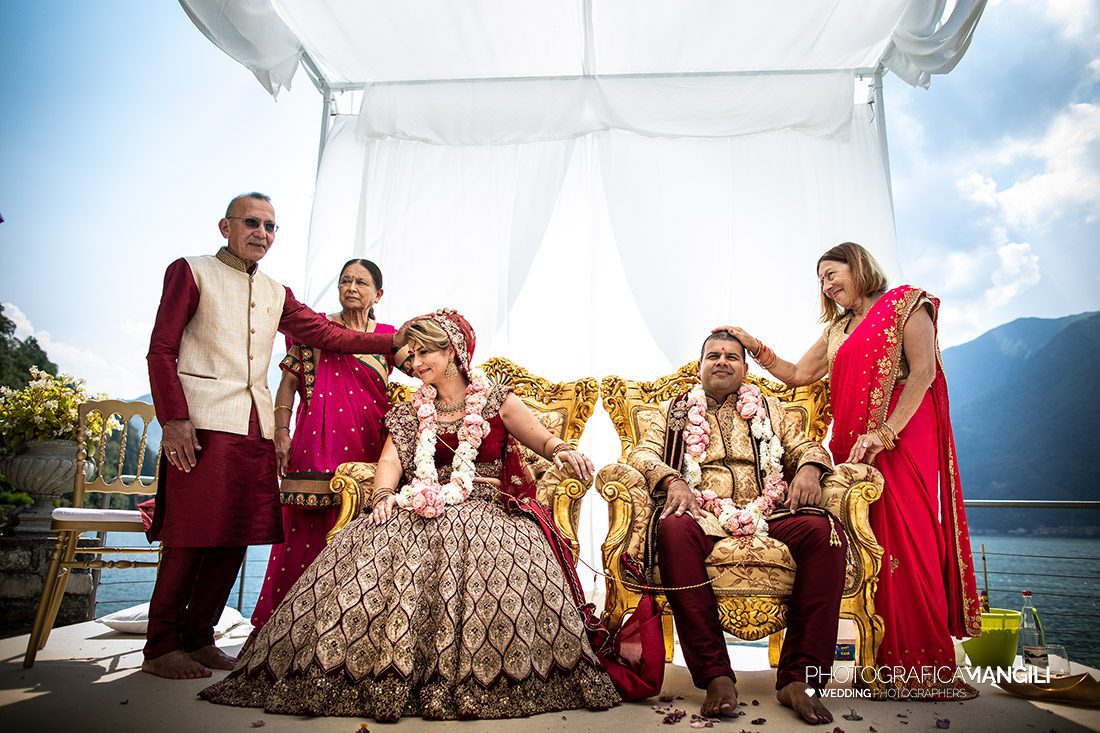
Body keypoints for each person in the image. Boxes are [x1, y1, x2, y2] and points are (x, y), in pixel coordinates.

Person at [200, 309, 623, 721]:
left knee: (482, 545)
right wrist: (384, 494)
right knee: (370, 541)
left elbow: (543, 440)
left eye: (424, 354)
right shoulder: (408, 411)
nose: (414, 364)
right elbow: (391, 460)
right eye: (410, 356)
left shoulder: (495, 399)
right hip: (421, 500)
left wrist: (564, 451)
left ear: (454, 351)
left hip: (487, 506)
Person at [144, 193, 408, 681]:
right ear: (225, 226)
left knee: (236, 535)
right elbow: (161, 350)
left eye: (270, 226)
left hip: (255, 427)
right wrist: (174, 419)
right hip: (201, 423)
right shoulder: (192, 270)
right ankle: (161, 644)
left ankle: (199, 637)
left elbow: (332, 337)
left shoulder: (276, 291)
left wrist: (394, 340)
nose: (261, 233)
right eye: (251, 222)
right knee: (191, 534)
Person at [725, 241, 981, 700]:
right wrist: (752, 345)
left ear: (857, 265)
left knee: (911, 541)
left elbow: (922, 374)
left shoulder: (905, 304)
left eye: (831, 273)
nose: (826, 284)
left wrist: (884, 434)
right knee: (870, 549)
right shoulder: (837, 331)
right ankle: (880, 663)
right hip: (852, 450)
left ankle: (924, 665)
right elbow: (798, 374)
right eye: (821, 280)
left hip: (902, 438)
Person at [628, 329, 846, 725]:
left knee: (823, 534)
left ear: (745, 368)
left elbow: (804, 445)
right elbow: (641, 452)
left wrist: (811, 470)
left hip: (771, 511)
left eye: (732, 356)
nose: (722, 361)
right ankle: (716, 676)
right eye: (714, 355)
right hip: (702, 510)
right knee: (673, 529)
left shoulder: (771, 408)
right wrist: (673, 481)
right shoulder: (671, 411)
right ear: (699, 366)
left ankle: (799, 679)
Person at [248, 259, 396, 639]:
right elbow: (287, 384)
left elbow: (428, 367)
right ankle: (280, 630)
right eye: (346, 280)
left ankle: (346, 629)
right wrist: (281, 431)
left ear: (378, 294)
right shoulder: (316, 330)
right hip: (314, 443)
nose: (351, 288)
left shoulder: (388, 338)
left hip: (369, 445)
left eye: (362, 283)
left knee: (361, 532)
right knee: (303, 529)